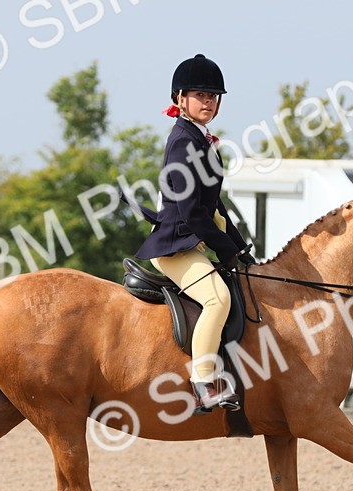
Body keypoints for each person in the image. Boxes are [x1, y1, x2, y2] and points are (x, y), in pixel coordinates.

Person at [134, 54, 254, 414]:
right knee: (218, 299)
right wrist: (224, 251)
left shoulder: (201, 140)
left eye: (213, 96)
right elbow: (192, 213)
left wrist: (240, 250)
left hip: (194, 241)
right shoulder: (184, 141)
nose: (208, 101)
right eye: (200, 95)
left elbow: (216, 208)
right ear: (180, 99)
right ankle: (204, 382)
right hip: (175, 244)